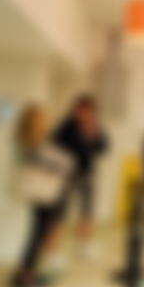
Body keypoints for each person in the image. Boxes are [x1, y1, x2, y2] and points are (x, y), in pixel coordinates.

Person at [11, 103, 73, 287]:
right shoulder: (37, 143)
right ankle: (26, 278)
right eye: (43, 120)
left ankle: (24, 272)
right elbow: (61, 163)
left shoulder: (25, 140)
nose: (46, 123)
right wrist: (65, 163)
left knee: (35, 234)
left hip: (39, 195)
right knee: (37, 236)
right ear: (36, 122)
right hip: (44, 196)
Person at [53, 95, 109, 260]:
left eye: (89, 110)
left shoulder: (94, 125)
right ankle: (54, 251)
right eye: (82, 110)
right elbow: (58, 146)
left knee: (88, 210)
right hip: (66, 174)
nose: (86, 113)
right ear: (75, 109)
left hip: (87, 173)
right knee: (59, 213)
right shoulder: (66, 125)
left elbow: (104, 148)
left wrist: (95, 136)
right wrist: (85, 139)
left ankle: (84, 245)